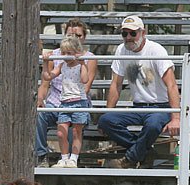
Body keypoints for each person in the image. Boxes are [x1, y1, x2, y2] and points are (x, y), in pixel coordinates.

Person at [97, 15, 181, 169]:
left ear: (143, 33)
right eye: (124, 33)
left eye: (133, 33)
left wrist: (176, 117)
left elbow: (172, 85)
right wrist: (108, 112)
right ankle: (144, 151)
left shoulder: (156, 50)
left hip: (161, 106)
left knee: (153, 125)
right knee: (105, 121)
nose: (128, 37)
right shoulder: (121, 50)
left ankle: (130, 158)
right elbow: (116, 84)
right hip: (138, 106)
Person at [36, 18, 97, 168]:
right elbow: (46, 82)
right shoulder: (57, 56)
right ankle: (41, 156)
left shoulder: (88, 58)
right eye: (70, 35)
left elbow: (86, 85)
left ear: (84, 37)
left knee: (73, 127)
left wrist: (81, 62)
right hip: (58, 102)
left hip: (76, 100)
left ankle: (73, 158)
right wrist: (40, 99)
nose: (74, 38)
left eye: (78, 36)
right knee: (39, 114)